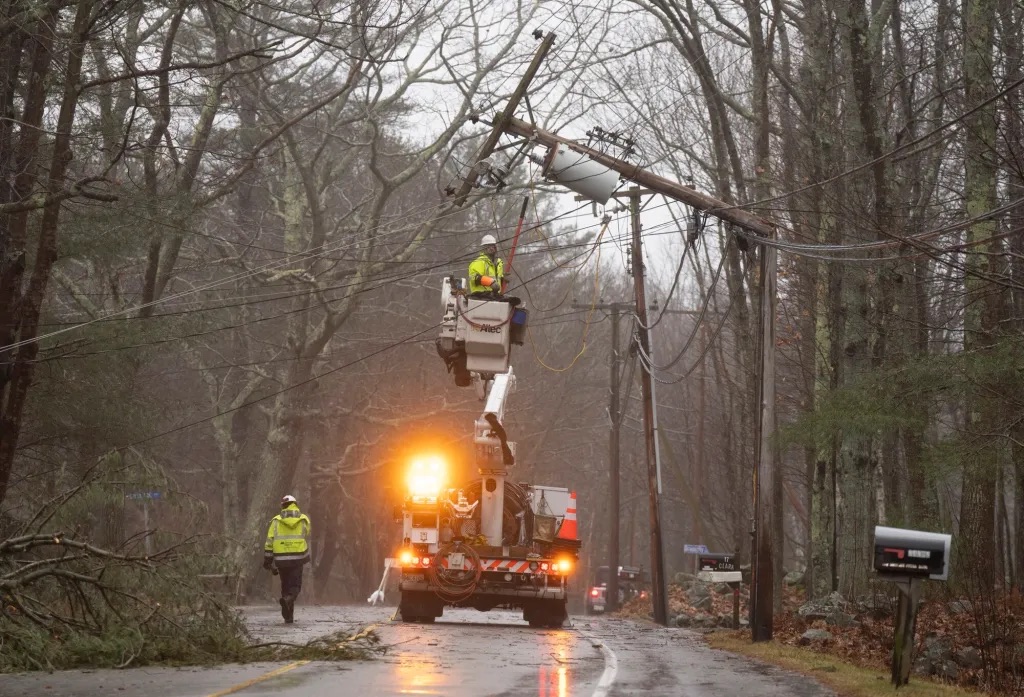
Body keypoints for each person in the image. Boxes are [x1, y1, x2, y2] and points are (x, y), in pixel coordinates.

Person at [263, 494, 311, 623]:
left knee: (285, 586)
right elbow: (307, 532)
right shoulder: (303, 519)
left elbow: (269, 541)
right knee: (295, 586)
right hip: (297, 558)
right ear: (295, 504)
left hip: (281, 559)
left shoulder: (276, 521)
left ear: (283, 506)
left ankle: (289, 617)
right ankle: (288, 600)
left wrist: (268, 560)